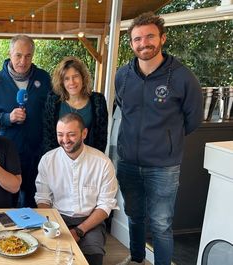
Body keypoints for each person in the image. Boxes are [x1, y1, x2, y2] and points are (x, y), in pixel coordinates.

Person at [115, 12, 203, 265]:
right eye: (137, 39)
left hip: (164, 167)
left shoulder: (182, 77)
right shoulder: (123, 75)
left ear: (162, 38)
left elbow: (193, 119)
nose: (144, 43)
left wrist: (165, 141)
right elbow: (123, 108)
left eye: (150, 37)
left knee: (162, 224)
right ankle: (136, 259)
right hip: (129, 162)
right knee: (134, 215)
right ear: (131, 43)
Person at [35, 113, 118, 265]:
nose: (65, 140)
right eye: (60, 134)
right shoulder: (48, 160)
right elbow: (43, 198)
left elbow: (106, 205)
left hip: (90, 220)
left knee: (93, 255)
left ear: (84, 133)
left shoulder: (103, 163)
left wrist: (78, 231)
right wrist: (51, 223)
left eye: (71, 134)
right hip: (57, 217)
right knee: (48, 255)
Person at [0, 34, 51, 208]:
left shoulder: (44, 79)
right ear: (10, 53)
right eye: (18, 55)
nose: (23, 61)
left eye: (28, 56)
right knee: (6, 201)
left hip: (36, 153)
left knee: (32, 201)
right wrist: (7, 117)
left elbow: (52, 114)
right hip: (6, 152)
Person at [43, 56, 108, 154]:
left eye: (75, 76)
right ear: (62, 82)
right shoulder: (53, 101)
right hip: (59, 160)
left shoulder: (98, 101)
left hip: (89, 160)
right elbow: (48, 136)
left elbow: (101, 139)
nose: (72, 82)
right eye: (67, 78)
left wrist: (93, 163)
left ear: (83, 77)